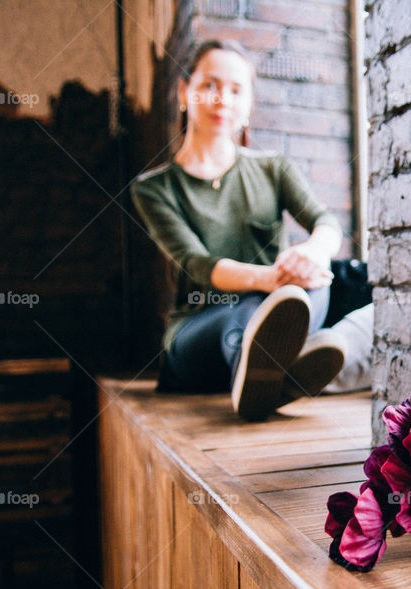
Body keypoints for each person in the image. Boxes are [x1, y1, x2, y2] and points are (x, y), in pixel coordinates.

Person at [130, 40, 346, 421]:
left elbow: (325, 222)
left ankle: (269, 379)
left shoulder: (273, 168)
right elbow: (196, 262)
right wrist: (272, 278)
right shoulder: (153, 188)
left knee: (317, 280)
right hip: (198, 332)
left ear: (248, 103)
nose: (222, 100)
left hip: (273, 308)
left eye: (236, 90)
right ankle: (258, 376)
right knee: (247, 310)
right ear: (184, 92)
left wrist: (313, 253)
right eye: (210, 86)